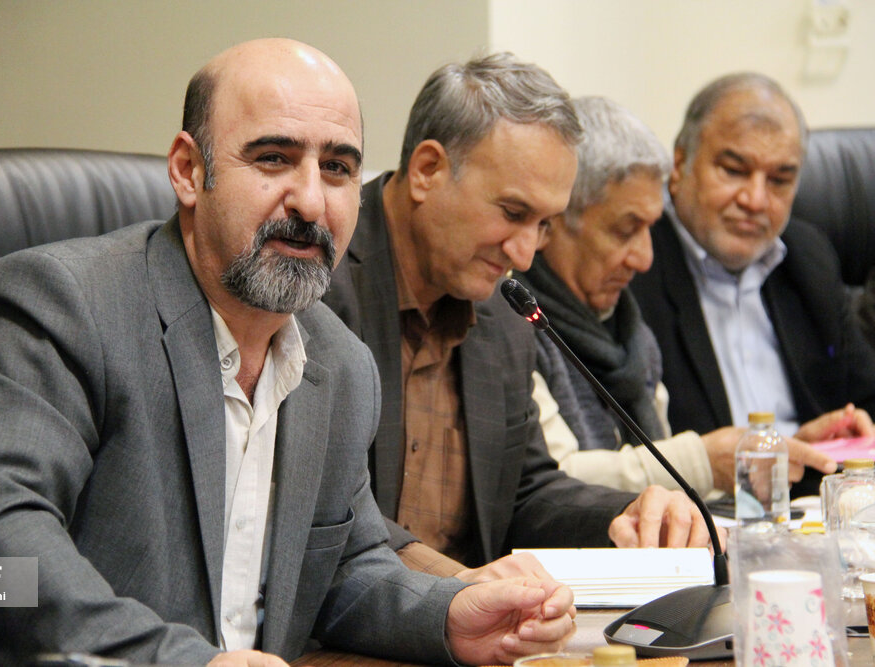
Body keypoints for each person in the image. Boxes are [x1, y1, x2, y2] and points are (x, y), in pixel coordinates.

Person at [0, 39, 577, 667]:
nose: (311, 201)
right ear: (188, 170)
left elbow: (343, 569)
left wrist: (447, 616)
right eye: (274, 158)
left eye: (338, 168)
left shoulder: (340, 364)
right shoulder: (56, 304)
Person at [323, 53, 712, 577]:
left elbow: (525, 492)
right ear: (428, 170)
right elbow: (325, 507)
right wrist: (460, 587)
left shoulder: (503, 316)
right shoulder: (319, 283)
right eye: (513, 213)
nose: (525, 255)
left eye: (545, 224)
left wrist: (629, 514)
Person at [514, 96, 837, 496]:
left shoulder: (630, 332)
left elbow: (667, 494)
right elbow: (546, 484)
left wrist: (771, 454)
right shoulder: (514, 321)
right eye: (625, 230)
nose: (645, 258)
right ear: (553, 221)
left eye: (650, 229)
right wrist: (703, 461)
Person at [629, 73, 875, 461]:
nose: (756, 200)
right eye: (734, 170)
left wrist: (826, 436)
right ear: (679, 164)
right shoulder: (634, 264)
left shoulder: (807, 257)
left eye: (779, 179)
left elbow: (865, 398)